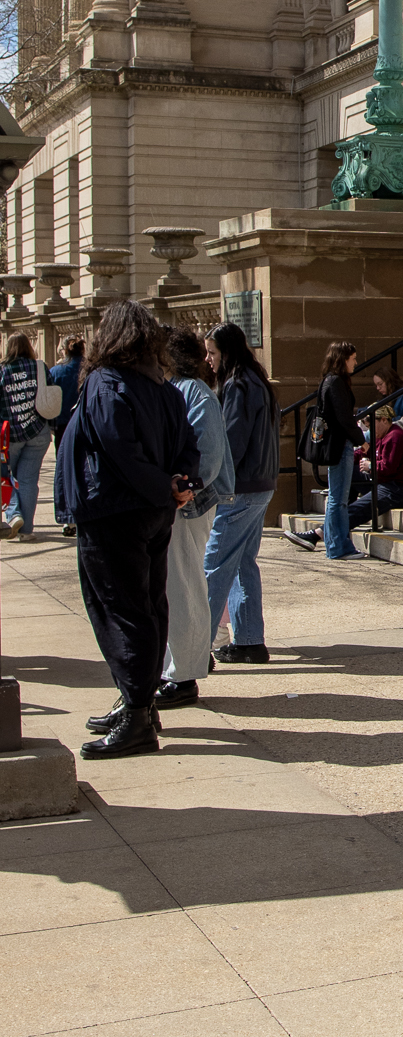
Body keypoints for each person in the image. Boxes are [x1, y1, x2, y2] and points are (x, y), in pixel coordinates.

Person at [56, 301, 199, 759]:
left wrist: (166, 485)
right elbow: (186, 450)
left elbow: (120, 449)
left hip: (115, 512)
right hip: (151, 512)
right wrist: (177, 485)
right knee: (148, 606)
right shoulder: (164, 389)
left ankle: (138, 715)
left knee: (122, 610)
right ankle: (138, 704)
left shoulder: (106, 382)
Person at [155, 327, 234, 710]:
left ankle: (183, 674)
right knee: (179, 585)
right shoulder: (182, 391)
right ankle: (182, 665)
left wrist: (185, 492)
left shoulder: (195, 393)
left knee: (184, 585)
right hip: (181, 503)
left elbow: (209, 454)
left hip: (189, 505)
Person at [203, 321, 282, 663]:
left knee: (215, 564)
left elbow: (231, 443)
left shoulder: (238, 385)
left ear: (227, 352)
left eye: (212, 353)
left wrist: (209, 482)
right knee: (240, 564)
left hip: (240, 487)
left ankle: (194, 646)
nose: (208, 360)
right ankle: (250, 640)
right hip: (260, 484)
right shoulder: (257, 382)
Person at [289, 408, 403, 543]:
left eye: (372, 426)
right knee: (348, 472)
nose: (370, 431)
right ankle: (341, 508)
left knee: (359, 507)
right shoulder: (381, 436)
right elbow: (366, 452)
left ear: (384, 420)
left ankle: (318, 534)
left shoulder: (394, 437)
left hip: (399, 488)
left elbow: (388, 468)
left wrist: (370, 466)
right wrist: (343, 460)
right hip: (384, 481)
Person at [0, 331, 53, 541]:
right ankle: (27, 531)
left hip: (10, 434)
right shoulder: (40, 367)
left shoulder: (3, 370)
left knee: (4, 476)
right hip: (38, 430)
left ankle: (14, 515)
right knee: (29, 480)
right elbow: (49, 395)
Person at [311, 340, 362, 559]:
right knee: (338, 499)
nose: (355, 362)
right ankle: (339, 546)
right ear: (343, 359)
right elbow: (344, 418)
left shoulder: (330, 381)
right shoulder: (335, 383)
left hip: (336, 444)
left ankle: (336, 545)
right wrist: (361, 439)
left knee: (336, 497)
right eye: (353, 358)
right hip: (340, 445)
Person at [49, 334, 87, 533]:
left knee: (64, 468)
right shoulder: (91, 369)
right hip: (85, 423)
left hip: (63, 425)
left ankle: (68, 519)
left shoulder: (56, 371)